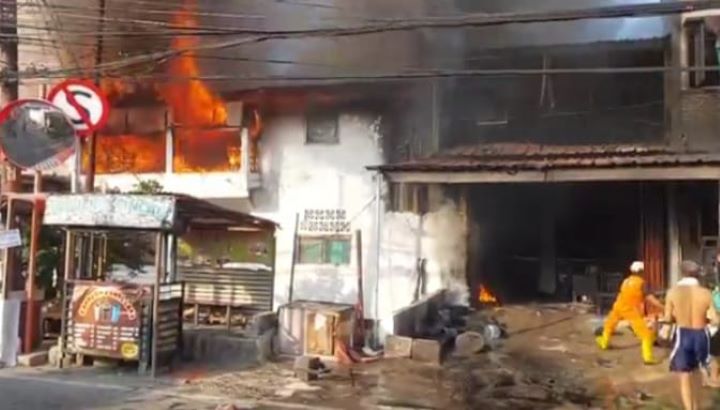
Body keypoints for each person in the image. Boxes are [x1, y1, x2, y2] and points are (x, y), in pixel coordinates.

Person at [664, 260, 719, 410]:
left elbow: (668, 318)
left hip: (682, 335)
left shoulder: (672, 292)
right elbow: (715, 320)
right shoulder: (705, 293)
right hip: (701, 334)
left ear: (682, 273)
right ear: (697, 274)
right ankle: (697, 407)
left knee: (685, 377)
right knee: (698, 373)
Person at [596, 261, 664, 364]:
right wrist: (663, 307)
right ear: (642, 271)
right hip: (630, 310)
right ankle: (648, 358)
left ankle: (604, 343)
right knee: (645, 334)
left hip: (618, 306)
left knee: (609, 325)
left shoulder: (626, 281)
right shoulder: (641, 283)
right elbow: (650, 298)